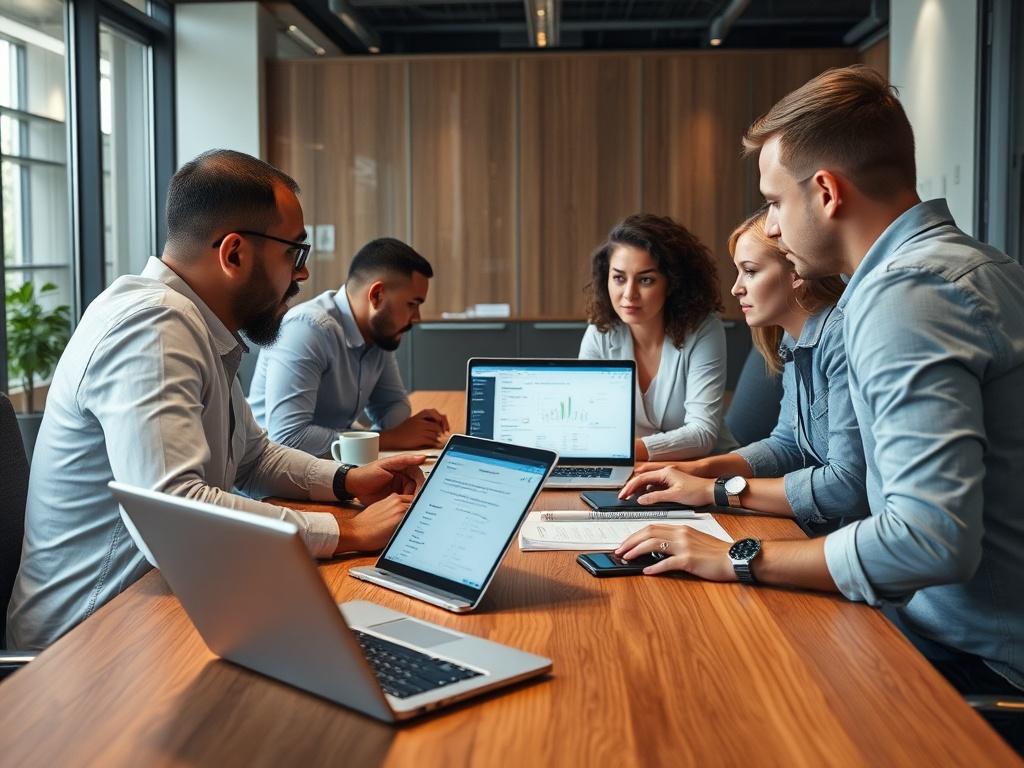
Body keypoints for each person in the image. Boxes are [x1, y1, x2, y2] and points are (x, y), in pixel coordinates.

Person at [615, 66, 1024, 705]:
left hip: (974, 663)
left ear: (827, 191)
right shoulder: (979, 266)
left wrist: (734, 557)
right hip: (957, 634)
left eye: (775, 202)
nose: (772, 227)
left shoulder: (905, 298)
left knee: (714, 684)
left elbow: (927, 537)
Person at [7, 150, 426, 651]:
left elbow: (253, 455)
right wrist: (348, 534)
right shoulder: (153, 328)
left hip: (162, 607)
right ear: (233, 254)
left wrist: (346, 480)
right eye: (295, 252)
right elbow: (177, 513)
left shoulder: (195, 326)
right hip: (86, 644)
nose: (303, 274)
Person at [632, 208, 866, 535]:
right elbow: (786, 444)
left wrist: (714, 489)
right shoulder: (794, 339)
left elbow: (846, 485)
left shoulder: (840, 337)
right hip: (822, 531)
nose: (736, 289)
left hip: (852, 542)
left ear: (796, 271)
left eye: (750, 271)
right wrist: (695, 468)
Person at [249, 238, 450, 457]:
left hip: (327, 468)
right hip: (272, 480)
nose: (417, 318)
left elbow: (393, 404)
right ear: (377, 295)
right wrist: (387, 438)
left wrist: (415, 429)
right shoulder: (308, 328)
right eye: (412, 304)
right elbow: (288, 438)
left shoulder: (378, 334)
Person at [579, 213, 734, 462]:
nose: (629, 294)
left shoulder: (704, 329)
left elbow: (702, 434)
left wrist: (621, 451)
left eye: (646, 280)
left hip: (706, 471)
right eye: (619, 278)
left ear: (672, 283)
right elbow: (587, 422)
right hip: (632, 470)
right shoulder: (601, 332)